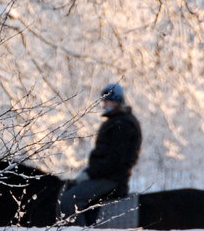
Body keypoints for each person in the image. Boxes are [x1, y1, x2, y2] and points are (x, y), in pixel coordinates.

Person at [59, 83, 142, 223]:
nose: (104, 105)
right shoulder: (117, 121)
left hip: (112, 179)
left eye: (107, 101)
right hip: (104, 176)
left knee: (70, 199)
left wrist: (90, 174)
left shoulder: (122, 124)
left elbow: (115, 160)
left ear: (117, 101)